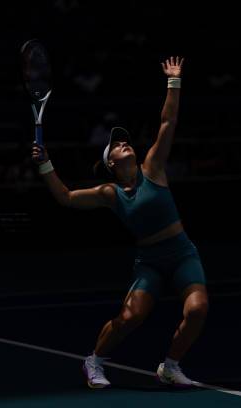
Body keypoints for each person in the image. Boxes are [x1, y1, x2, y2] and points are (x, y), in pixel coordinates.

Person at [31, 56, 208, 388]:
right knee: (131, 316)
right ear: (110, 162)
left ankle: (170, 366)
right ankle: (93, 361)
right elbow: (66, 198)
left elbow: (168, 122)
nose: (124, 143)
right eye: (116, 144)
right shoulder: (110, 193)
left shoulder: (152, 168)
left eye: (125, 141)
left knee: (197, 310)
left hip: (182, 253)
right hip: (151, 262)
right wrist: (45, 165)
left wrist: (174, 81)